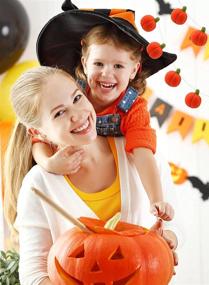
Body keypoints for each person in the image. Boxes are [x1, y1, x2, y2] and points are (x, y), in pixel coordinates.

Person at [4, 66, 178, 285]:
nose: (77, 115)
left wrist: (166, 243)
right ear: (38, 132)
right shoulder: (39, 185)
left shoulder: (139, 156)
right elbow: (33, 275)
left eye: (77, 98)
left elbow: (173, 221)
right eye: (59, 113)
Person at [34, 1, 177, 221]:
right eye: (98, 64)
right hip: (73, 175)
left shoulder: (133, 107)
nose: (106, 74)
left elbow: (142, 151)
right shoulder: (71, 93)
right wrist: (48, 162)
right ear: (84, 63)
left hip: (115, 180)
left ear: (134, 70)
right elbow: (39, 133)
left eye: (118, 66)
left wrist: (156, 199)